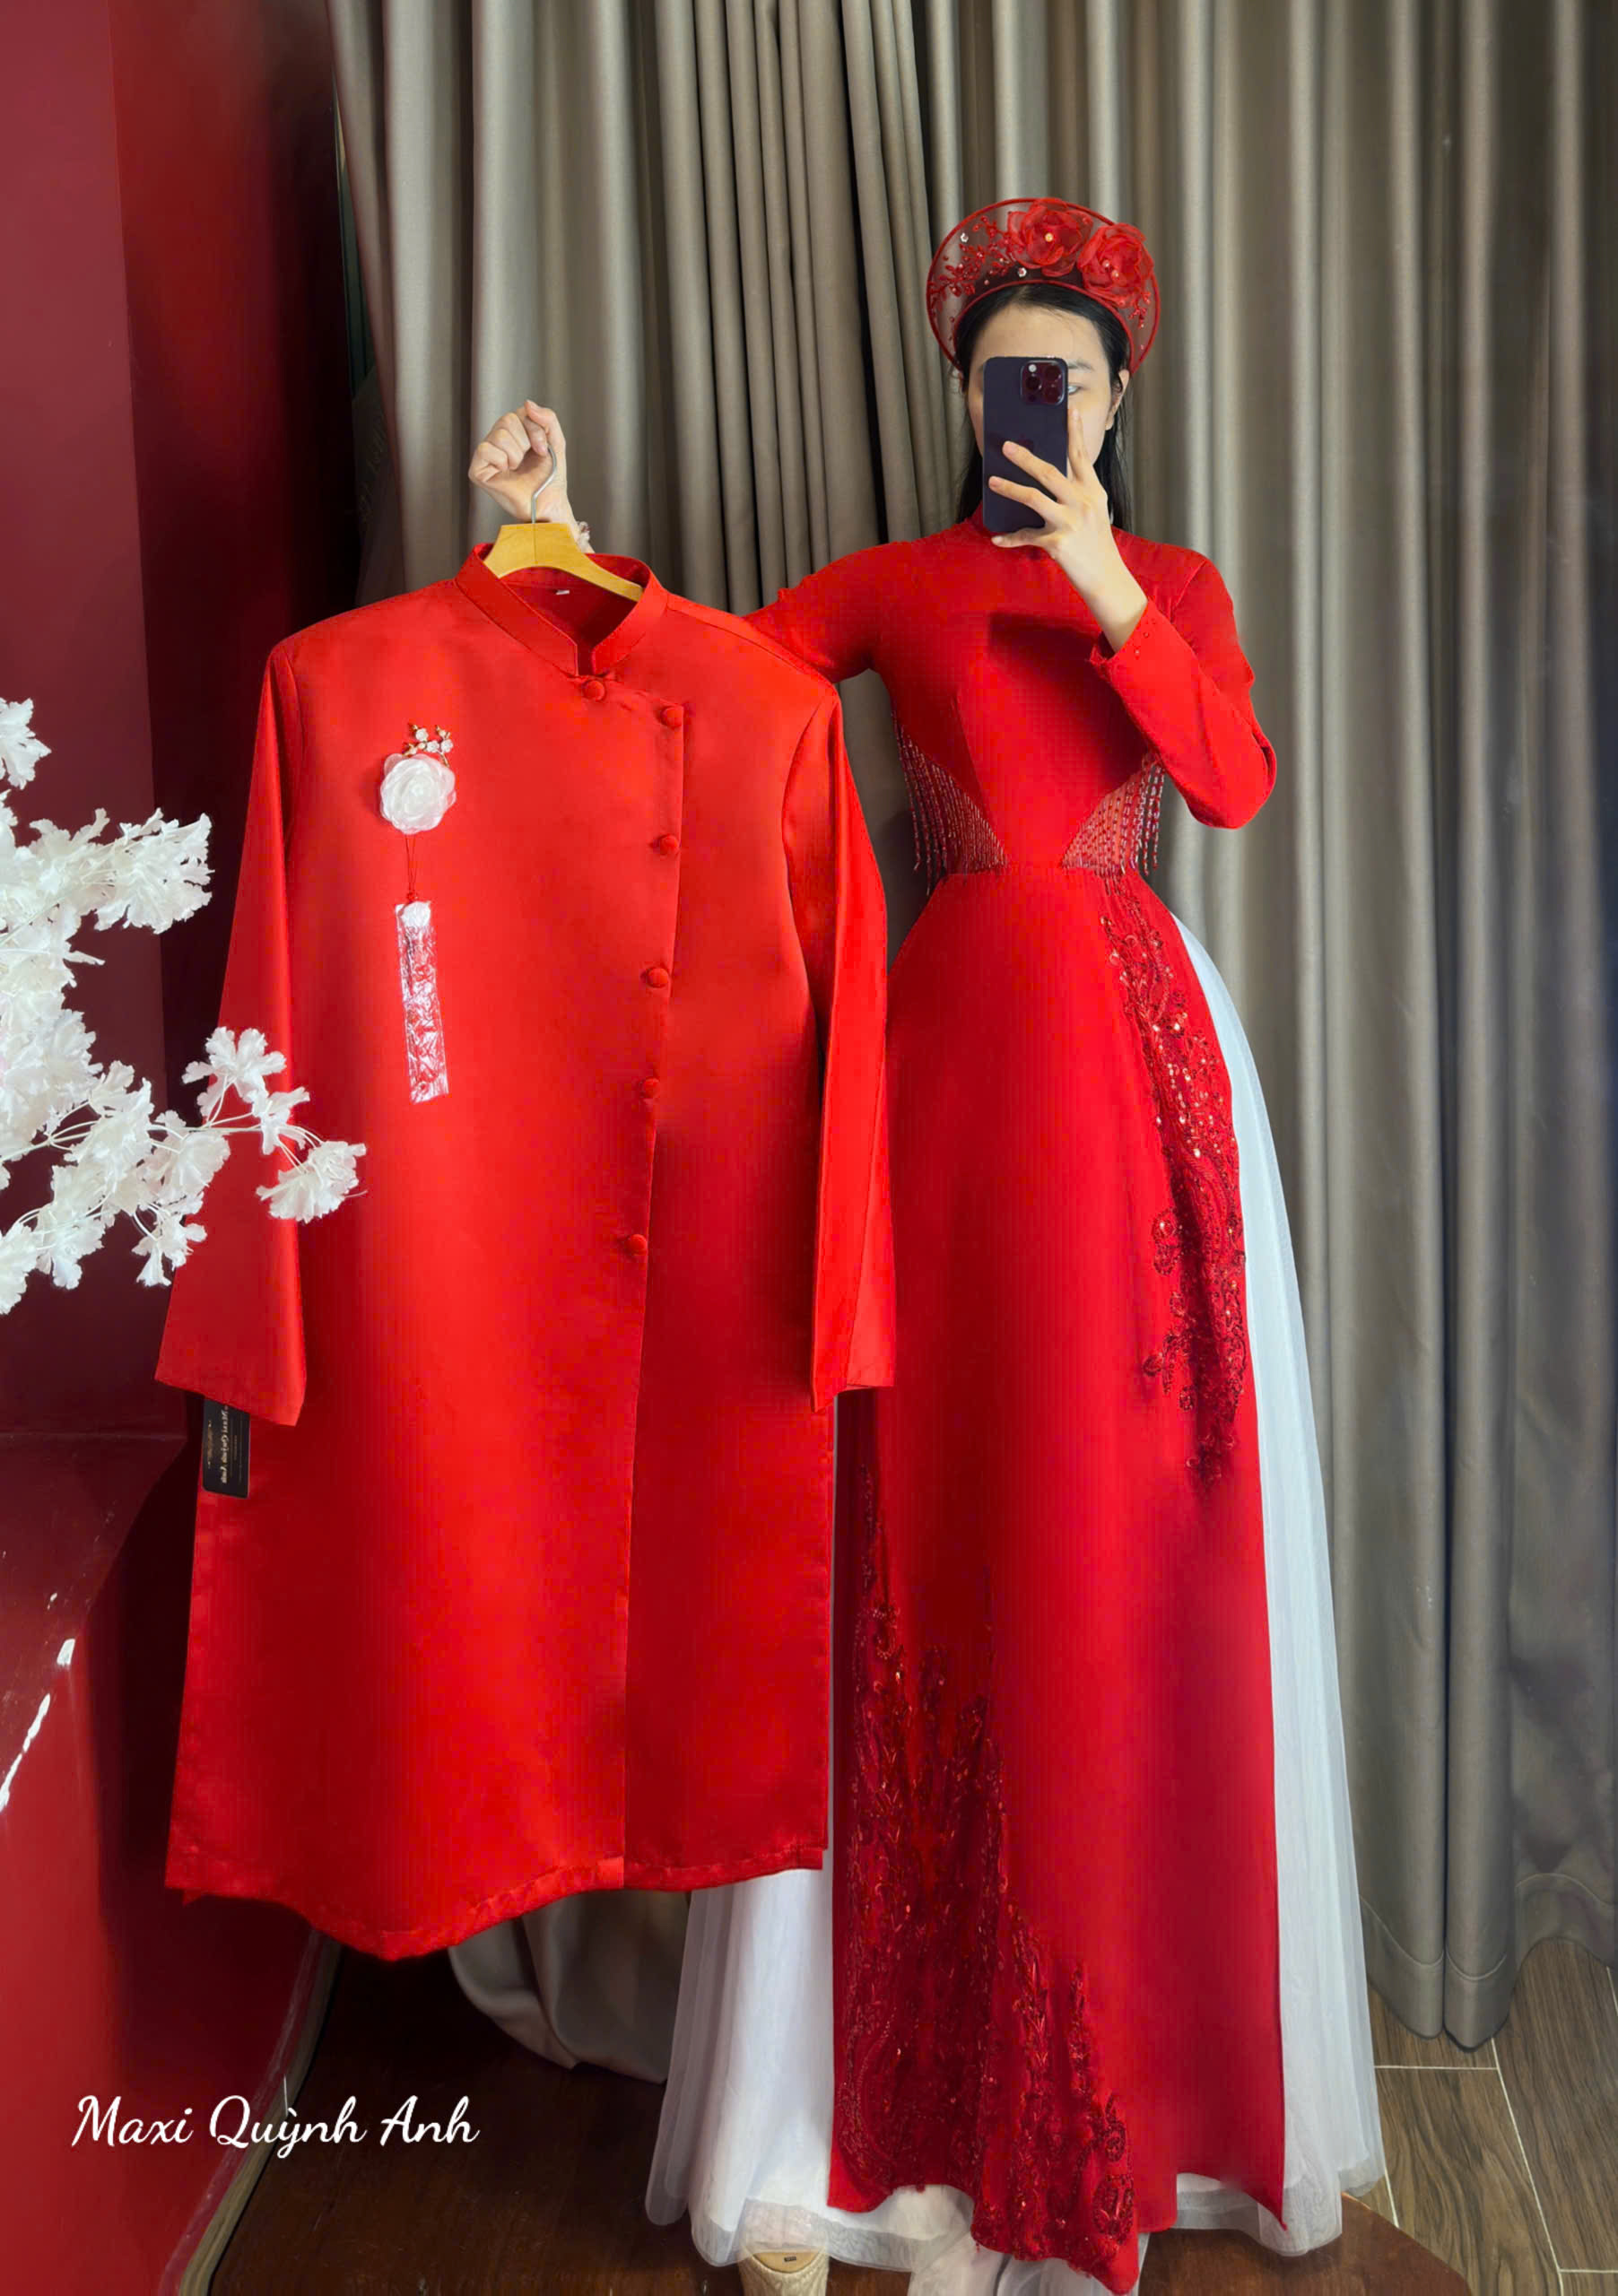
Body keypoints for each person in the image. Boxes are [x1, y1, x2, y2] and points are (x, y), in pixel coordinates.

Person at [469, 197, 1384, 2296]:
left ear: (1116, 399)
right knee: (924, 1524)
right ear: (962, 396)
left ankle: (1124, 2103)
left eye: (1061, 376)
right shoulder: (893, 582)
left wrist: (1106, 589)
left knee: (1121, 1543)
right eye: (997, 377)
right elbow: (688, 687)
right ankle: (857, 2129)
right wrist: (552, 537)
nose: (1026, 402)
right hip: (939, 1079)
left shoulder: (1169, 582)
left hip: (1139, 1083)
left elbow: (1231, 784)